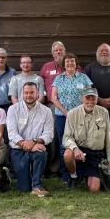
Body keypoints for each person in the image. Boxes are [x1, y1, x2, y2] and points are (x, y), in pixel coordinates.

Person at [62, 88, 110, 192]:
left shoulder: (103, 112)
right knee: (68, 154)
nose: (90, 102)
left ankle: (87, 176)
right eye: (87, 98)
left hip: (95, 154)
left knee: (94, 189)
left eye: (93, 99)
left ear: (97, 100)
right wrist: (75, 149)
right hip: (79, 152)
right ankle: (74, 177)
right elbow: (66, 137)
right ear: (82, 98)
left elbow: (108, 137)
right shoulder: (72, 113)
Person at [51, 52, 92, 183]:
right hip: (62, 116)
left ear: (76, 63)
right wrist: (66, 112)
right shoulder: (58, 79)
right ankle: (66, 174)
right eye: (67, 61)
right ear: (64, 64)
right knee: (64, 144)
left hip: (80, 116)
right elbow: (53, 98)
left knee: (81, 142)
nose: (70, 63)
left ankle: (81, 173)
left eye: (72, 61)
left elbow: (89, 96)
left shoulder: (83, 78)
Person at [7, 82, 54, 197]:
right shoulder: (13, 109)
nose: (29, 95)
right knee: (24, 188)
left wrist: (34, 141)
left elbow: (49, 134)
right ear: (22, 94)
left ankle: (37, 185)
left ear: (37, 94)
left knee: (41, 153)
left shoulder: (46, 111)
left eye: (32, 92)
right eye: (26, 93)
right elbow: (12, 133)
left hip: (36, 149)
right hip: (18, 150)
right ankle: (7, 174)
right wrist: (27, 144)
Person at [39, 41, 68, 178]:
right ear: (52, 53)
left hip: (70, 108)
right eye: (56, 50)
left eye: (60, 50)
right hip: (52, 107)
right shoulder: (46, 67)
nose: (58, 52)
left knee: (68, 137)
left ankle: (68, 168)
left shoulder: (71, 65)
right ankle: (53, 169)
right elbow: (40, 86)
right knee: (54, 138)